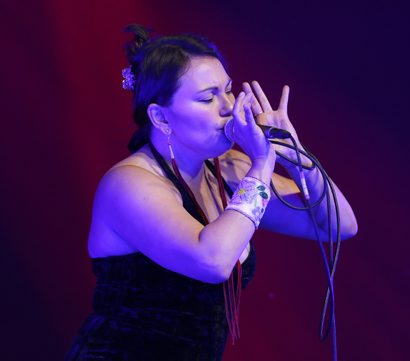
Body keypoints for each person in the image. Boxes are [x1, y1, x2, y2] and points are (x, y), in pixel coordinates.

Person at [65, 24, 357, 361]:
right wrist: (262, 164)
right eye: (207, 98)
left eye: (228, 91)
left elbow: (339, 225)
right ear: (160, 117)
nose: (228, 107)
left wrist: (297, 157)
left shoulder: (229, 170)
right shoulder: (128, 184)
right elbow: (214, 260)